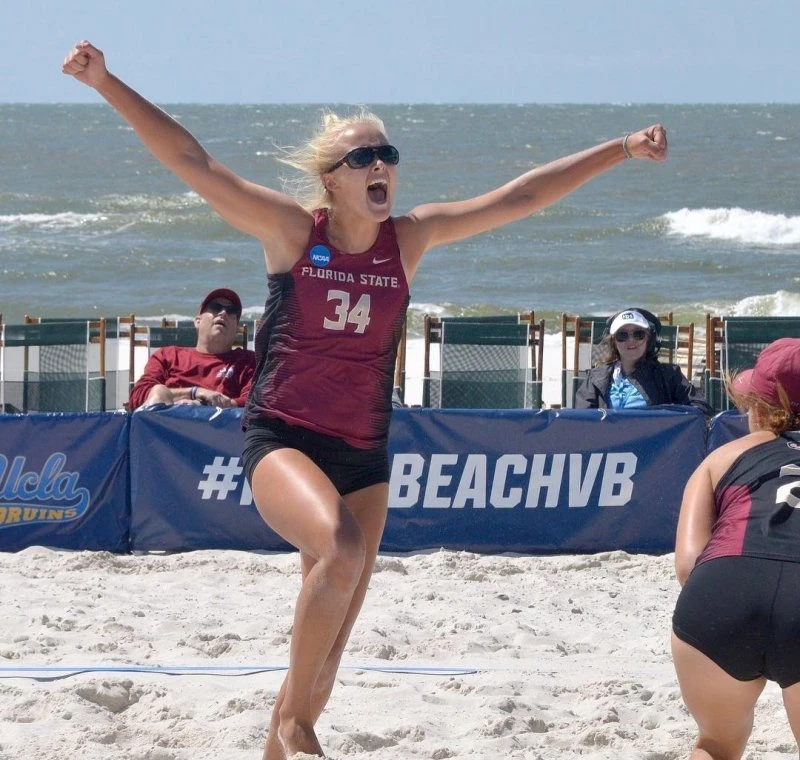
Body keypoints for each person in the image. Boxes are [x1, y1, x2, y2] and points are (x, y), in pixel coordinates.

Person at [62, 39, 668, 759]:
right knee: (340, 555)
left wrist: (622, 149)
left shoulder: (408, 240)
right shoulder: (294, 233)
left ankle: (284, 736)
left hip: (364, 452)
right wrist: (107, 83)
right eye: (362, 157)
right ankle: (293, 725)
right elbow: (193, 162)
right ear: (332, 179)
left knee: (330, 648)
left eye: (387, 152)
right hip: (282, 438)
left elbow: (522, 196)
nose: (380, 164)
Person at [672, 338, 800, 760]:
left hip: (721, 594)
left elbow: (689, 565)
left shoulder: (720, 459)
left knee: (717, 744)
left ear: (760, 407)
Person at [128, 287, 256, 410]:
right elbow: (138, 396)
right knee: (158, 392)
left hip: (217, 429)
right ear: (198, 321)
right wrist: (195, 392)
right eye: (215, 307)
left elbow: (254, 402)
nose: (223, 313)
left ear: (236, 328)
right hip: (167, 425)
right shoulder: (167, 356)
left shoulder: (248, 362)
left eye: (231, 310)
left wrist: (204, 405)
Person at [574, 307, 710, 414]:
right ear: (614, 341)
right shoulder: (596, 378)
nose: (631, 340)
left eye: (638, 334)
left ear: (649, 339)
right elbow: (580, 422)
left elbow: (700, 409)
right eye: (622, 335)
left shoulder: (668, 376)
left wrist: (668, 418)